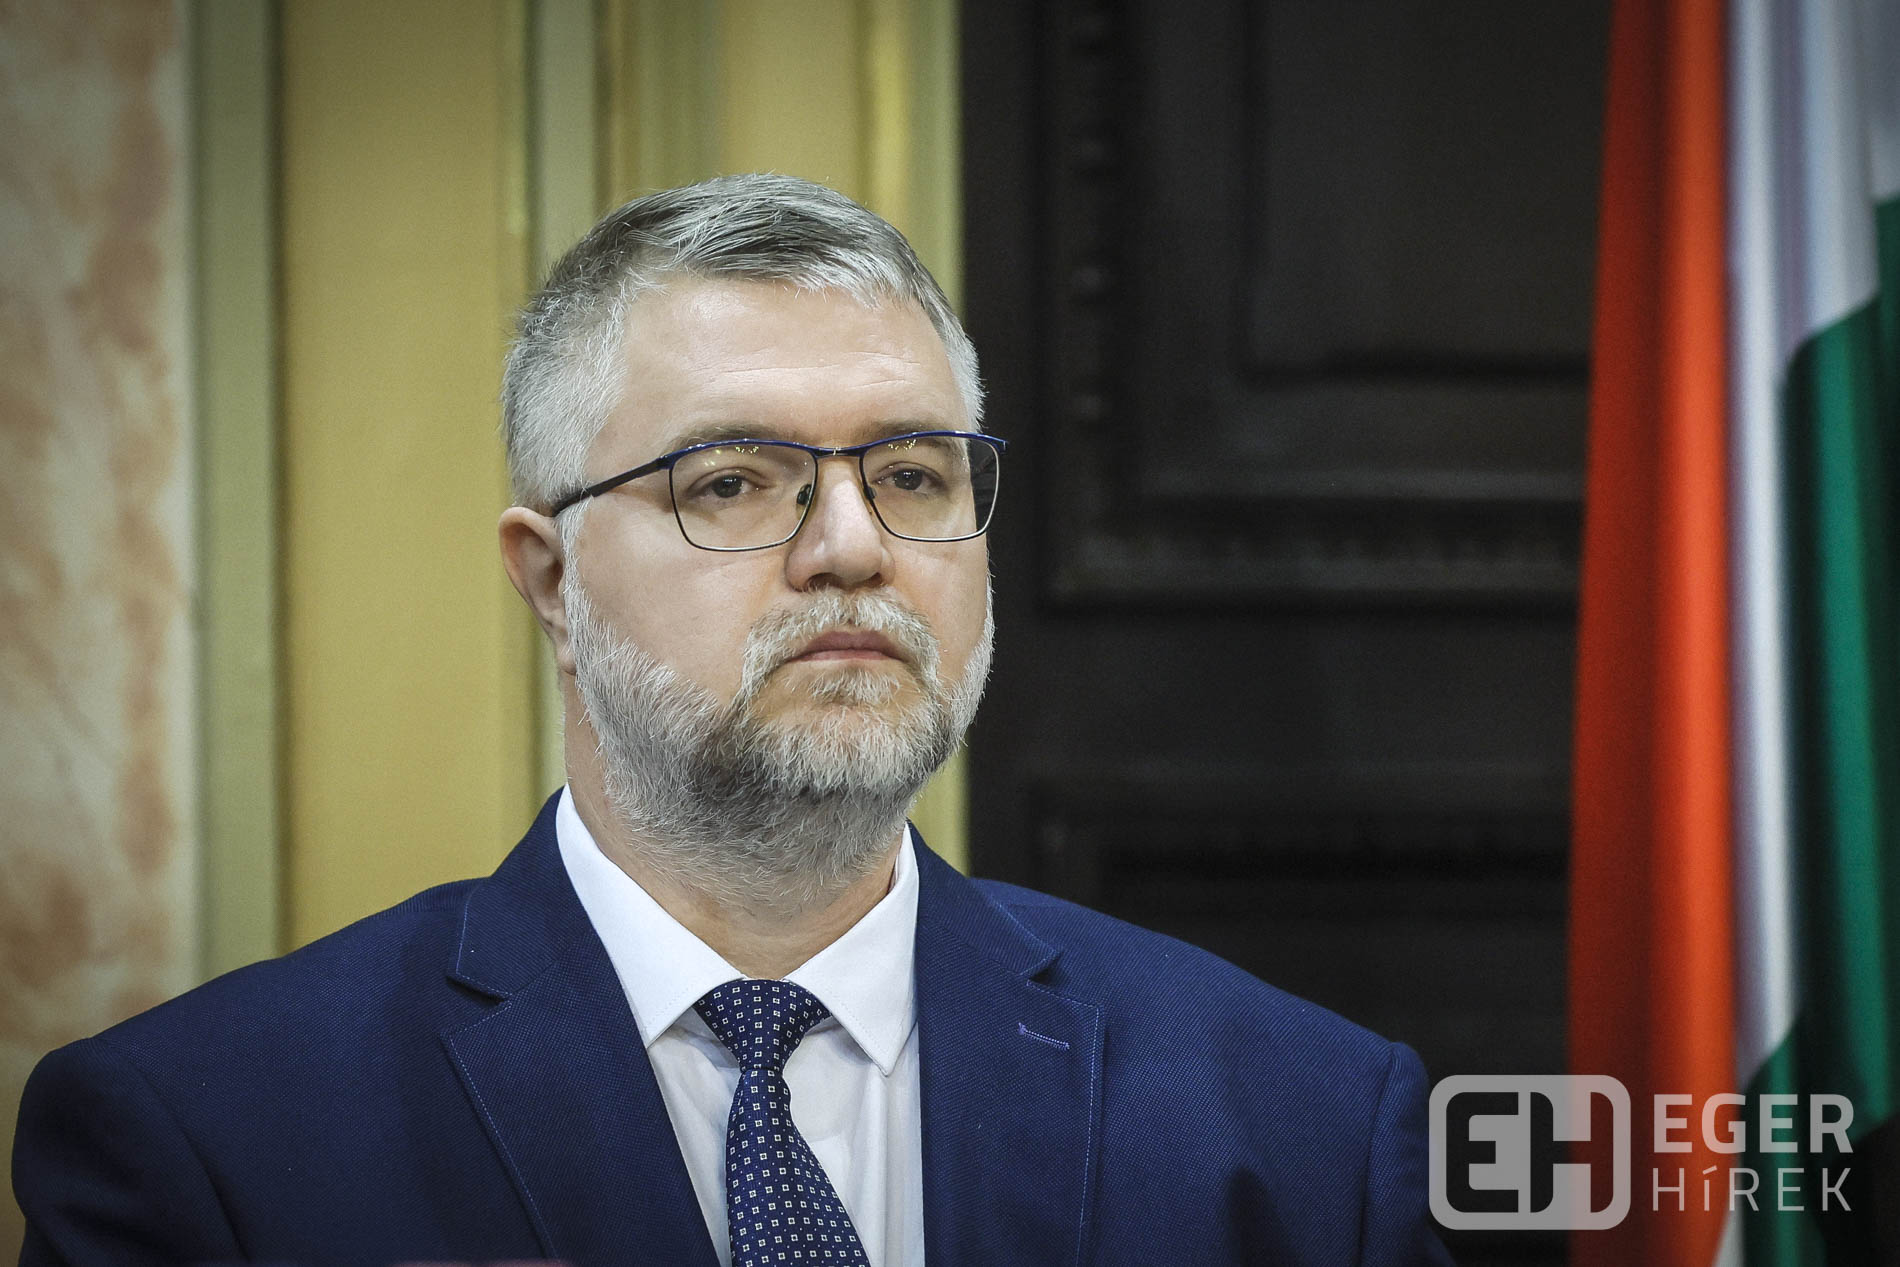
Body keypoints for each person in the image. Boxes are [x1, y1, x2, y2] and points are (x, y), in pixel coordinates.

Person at [13, 174, 1453, 1267]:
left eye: (913, 475)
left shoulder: (1306, 1128)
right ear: (553, 581)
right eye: (732, 483)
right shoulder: (206, 1139)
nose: (852, 548)